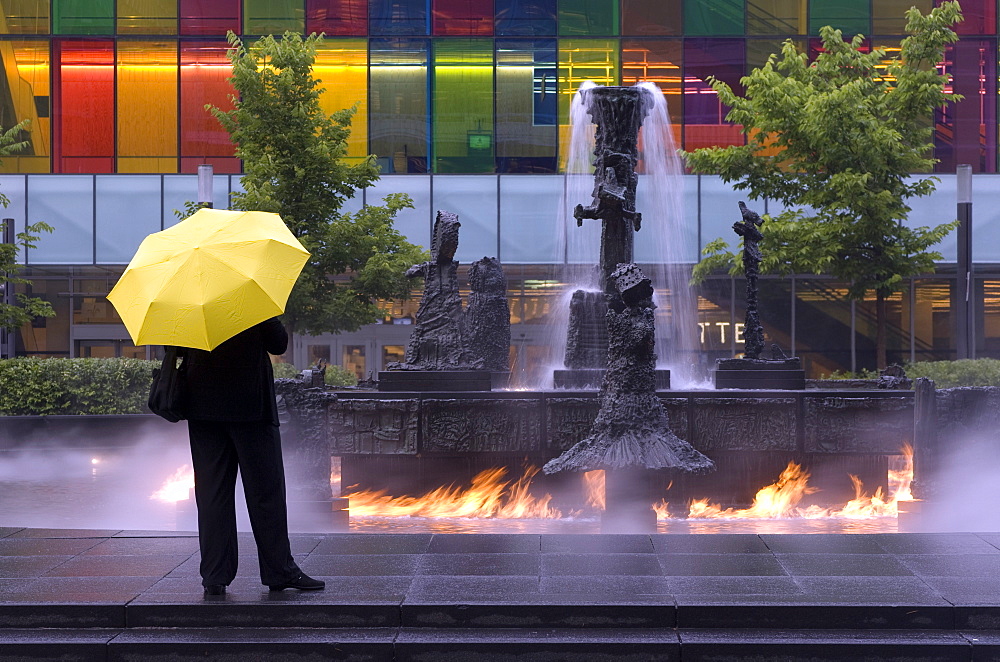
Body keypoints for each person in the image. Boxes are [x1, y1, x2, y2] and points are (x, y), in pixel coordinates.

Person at [179, 316, 324, 596]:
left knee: (212, 495)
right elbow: (278, 343)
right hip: (250, 405)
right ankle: (279, 571)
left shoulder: (188, 301)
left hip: (202, 406)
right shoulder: (248, 299)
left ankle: (214, 575)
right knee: (265, 493)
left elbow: (176, 348)